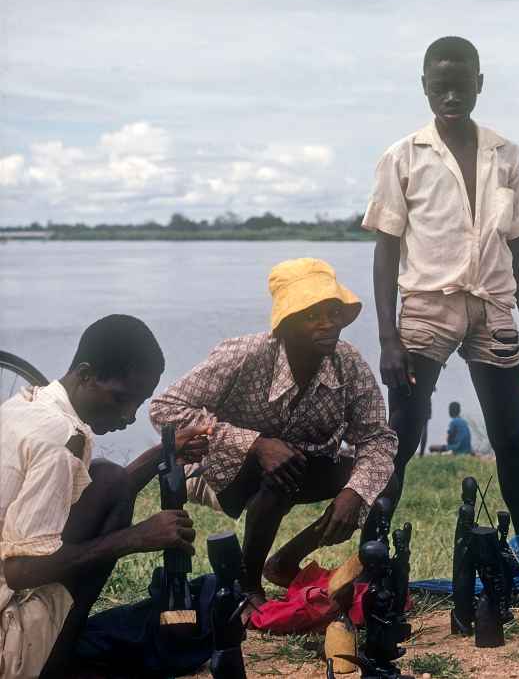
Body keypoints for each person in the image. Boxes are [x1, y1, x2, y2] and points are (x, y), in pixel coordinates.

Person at [362, 36, 519, 540]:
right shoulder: (403, 157)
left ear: (479, 85)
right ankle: (371, 556)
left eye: (461, 86)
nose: (451, 97)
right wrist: (387, 338)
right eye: (440, 87)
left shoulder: (506, 155)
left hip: (493, 307)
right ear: (424, 88)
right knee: (401, 435)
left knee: (510, 439)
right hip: (425, 309)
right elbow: (386, 250)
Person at [149, 258, 398, 620]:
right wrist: (253, 443)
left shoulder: (349, 363)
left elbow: (377, 438)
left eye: (333, 311)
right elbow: (165, 408)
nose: (328, 323)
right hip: (225, 473)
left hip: (299, 467)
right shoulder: (244, 355)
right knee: (282, 468)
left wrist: (354, 493)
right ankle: (248, 583)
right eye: (313, 315)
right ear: (286, 323)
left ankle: (286, 560)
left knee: (383, 478)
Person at [0, 315, 210, 678]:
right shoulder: (60, 440)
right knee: (109, 479)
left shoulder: (28, 406)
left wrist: (165, 452)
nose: (129, 416)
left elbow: (106, 493)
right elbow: (20, 571)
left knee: (107, 478)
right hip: (8, 641)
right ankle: (53, 662)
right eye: (120, 399)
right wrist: (132, 539)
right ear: (85, 375)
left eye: (138, 404)